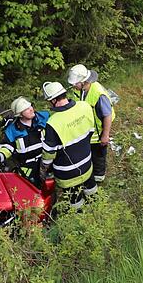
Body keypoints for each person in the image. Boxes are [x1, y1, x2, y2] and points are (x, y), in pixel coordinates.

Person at [39, 81, 96, 210]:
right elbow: (91, 131)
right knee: (92, 190)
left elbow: (49, 154)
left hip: (67, 173)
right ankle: (96, 210)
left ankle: (80, 218)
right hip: (87, 162)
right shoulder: (84, 106)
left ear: (53, 100)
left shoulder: (53, 122)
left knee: (75, 201)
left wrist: (43, 168)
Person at [67, 64, 116, 186]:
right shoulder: (79, 90)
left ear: (84, 82)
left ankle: (98, 181)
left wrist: (105, 135)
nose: (73, 86)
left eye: (76, 83)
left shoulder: (98, 94)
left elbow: (107, 115)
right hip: (86, 131)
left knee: (98, 158)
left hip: (98, 134)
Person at [0, 97, 50, 182]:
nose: (31, 109)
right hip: (28, 170)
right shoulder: (13, 130)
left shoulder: (42, 119)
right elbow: (7, 148)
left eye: (30, 106)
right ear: (20, 114)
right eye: (26, 109)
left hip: (47, 165)